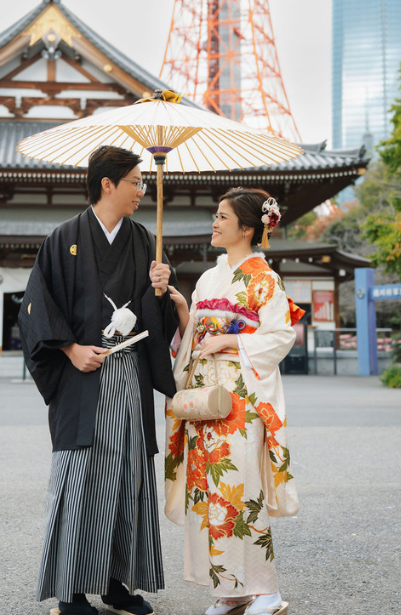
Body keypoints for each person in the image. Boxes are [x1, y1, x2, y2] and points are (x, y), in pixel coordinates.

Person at [19, 145, 181, 615]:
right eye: (135, 182)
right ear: (107, 183)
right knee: (81, 476)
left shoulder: (145, 241)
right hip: (79, 375)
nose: (141, 191)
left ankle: (118, 583)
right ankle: (71, 590)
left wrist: (158, 291)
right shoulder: (63, 238)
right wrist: (70, 348)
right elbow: (36, 307)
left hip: (127, 376)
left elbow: (156, 325)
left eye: (144, 183)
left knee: (128, 475)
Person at [162, 188, 302, 615]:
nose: (214, 223)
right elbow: (193, 342)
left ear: (246, 228)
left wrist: (230, 338)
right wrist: (187, 313)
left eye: (223, 217)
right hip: (207, 399)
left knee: (241, 493)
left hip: (241, 399)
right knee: (208, 494)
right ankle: (231, 591)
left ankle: (268, 591)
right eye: (215, 215)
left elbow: (280, 337)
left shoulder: (265, 278)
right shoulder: (208, 277)